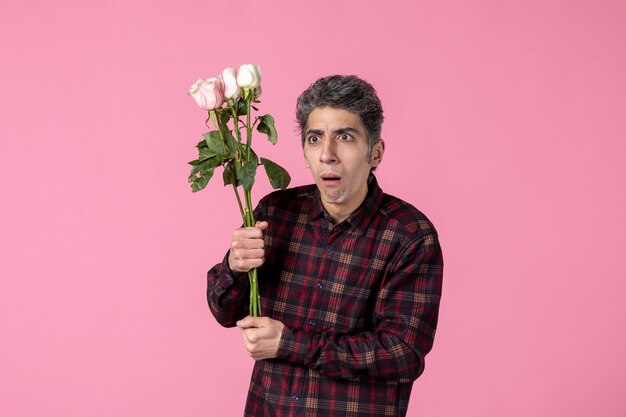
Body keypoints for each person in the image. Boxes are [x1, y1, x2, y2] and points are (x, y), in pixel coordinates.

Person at [206, 75, 443, 417]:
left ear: (375, 152)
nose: (328, 155)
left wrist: (290, 344)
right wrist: (235, 267)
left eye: (345, 137)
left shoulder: (409, 235)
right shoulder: (275, 213)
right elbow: (224, 311)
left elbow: (402, 353)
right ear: (304, 150)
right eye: (315, 138)